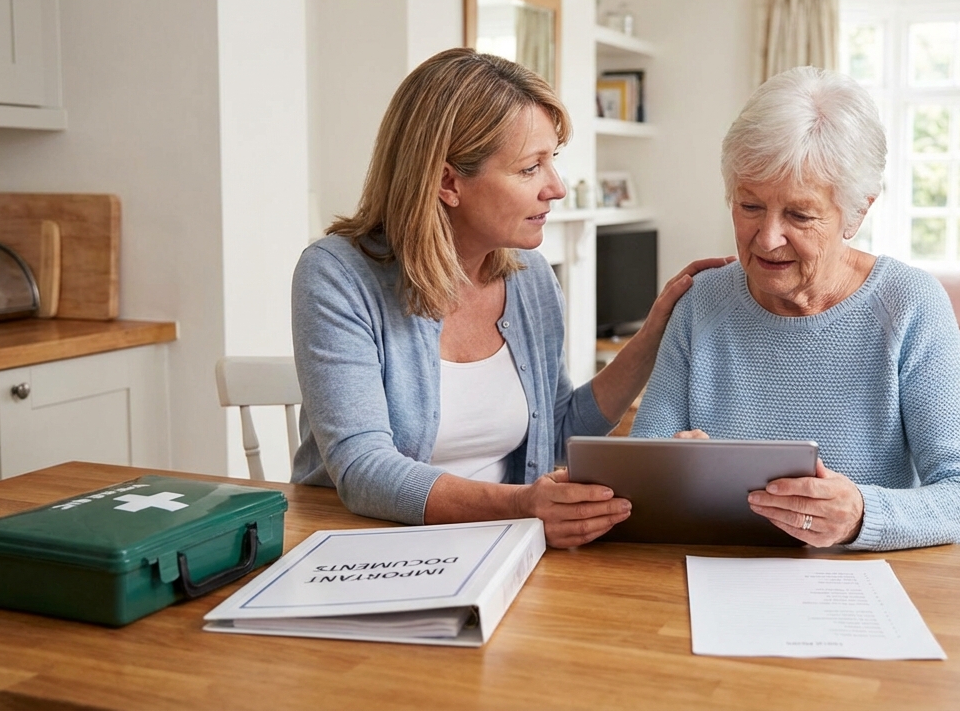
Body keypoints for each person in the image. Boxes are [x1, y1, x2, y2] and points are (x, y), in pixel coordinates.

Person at [290, 47, 729, 549]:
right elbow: (363, 468)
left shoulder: (531, 278)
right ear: (447, 182)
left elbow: (560, 426)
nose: (557, 188)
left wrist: (653, 335)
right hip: (361, 546)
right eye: (530, 169)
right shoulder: (337, 276)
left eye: (552, 162)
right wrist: (522, 505)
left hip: (504, 547)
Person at [629, 66, 960, 551]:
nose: (767, 238)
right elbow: (638, 481)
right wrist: (671, 475)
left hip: (860, 588)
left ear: (857, 212)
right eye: (749, 206)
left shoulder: (910, 304)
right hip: (717, 573)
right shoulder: (701, 302)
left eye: (799, 215)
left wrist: (862, 515)